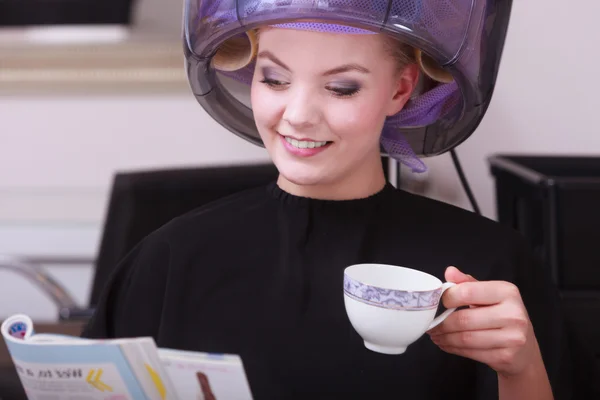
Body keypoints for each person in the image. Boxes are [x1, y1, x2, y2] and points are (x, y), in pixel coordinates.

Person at [82, 20, 575, 400]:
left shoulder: (486, 267)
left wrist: (523, 368)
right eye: (273, 79)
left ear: (401, 90)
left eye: (341, 88)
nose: (297, 115)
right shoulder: (169, 258)